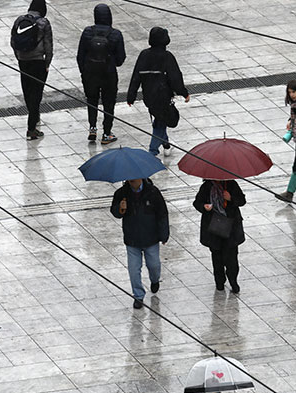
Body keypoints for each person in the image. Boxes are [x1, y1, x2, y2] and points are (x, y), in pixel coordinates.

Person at [126, 27, 189, 157]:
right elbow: (175, 78)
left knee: (160, 119)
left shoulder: (143, 55)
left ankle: (166, 145)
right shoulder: (167, 57)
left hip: (149, 97)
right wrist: (184, 93)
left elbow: (136, 76)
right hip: (163, 97)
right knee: (160, 123)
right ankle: (152, 152)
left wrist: (131, 95)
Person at [110, 178, 169, 309]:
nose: (131, 180)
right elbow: (114, 212)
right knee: (133, 270)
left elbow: (162, 214)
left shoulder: (153, 193)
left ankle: (155, 280)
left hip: (151, 238)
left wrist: (164, 234)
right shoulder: (121, 193)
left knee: (153, 265)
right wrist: (120, 208)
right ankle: (138, 296)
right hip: (132, 239)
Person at [76, 3, 126, 144]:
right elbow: (121, 59)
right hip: (108, 75)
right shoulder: (116, 34)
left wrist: (84, 72)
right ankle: (106, 134)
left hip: (90, 74)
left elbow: (80, 55)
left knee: (91, 101)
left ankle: (92, 128)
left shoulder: (87, 32)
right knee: (109, 104)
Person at [192, 179, 246, 293]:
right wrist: (204, 207)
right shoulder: (207, 187)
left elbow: (242, 200)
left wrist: (230, 198)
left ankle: (233, 281)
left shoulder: (231, 184)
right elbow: (197, 203)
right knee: (217, 257)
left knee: (231, 257)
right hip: (213, 227)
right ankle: (219, 281)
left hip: (231, 227)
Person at [11, 0, 53, 140]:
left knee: (27, 91)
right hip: (38, 62)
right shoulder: (44, 23)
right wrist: (47, 63)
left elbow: (13, 41)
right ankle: (31, 128)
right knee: (37, 93)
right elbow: (48, 45)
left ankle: (34, 117)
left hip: (23, 61)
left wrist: (19, 57)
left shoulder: (19, 20)